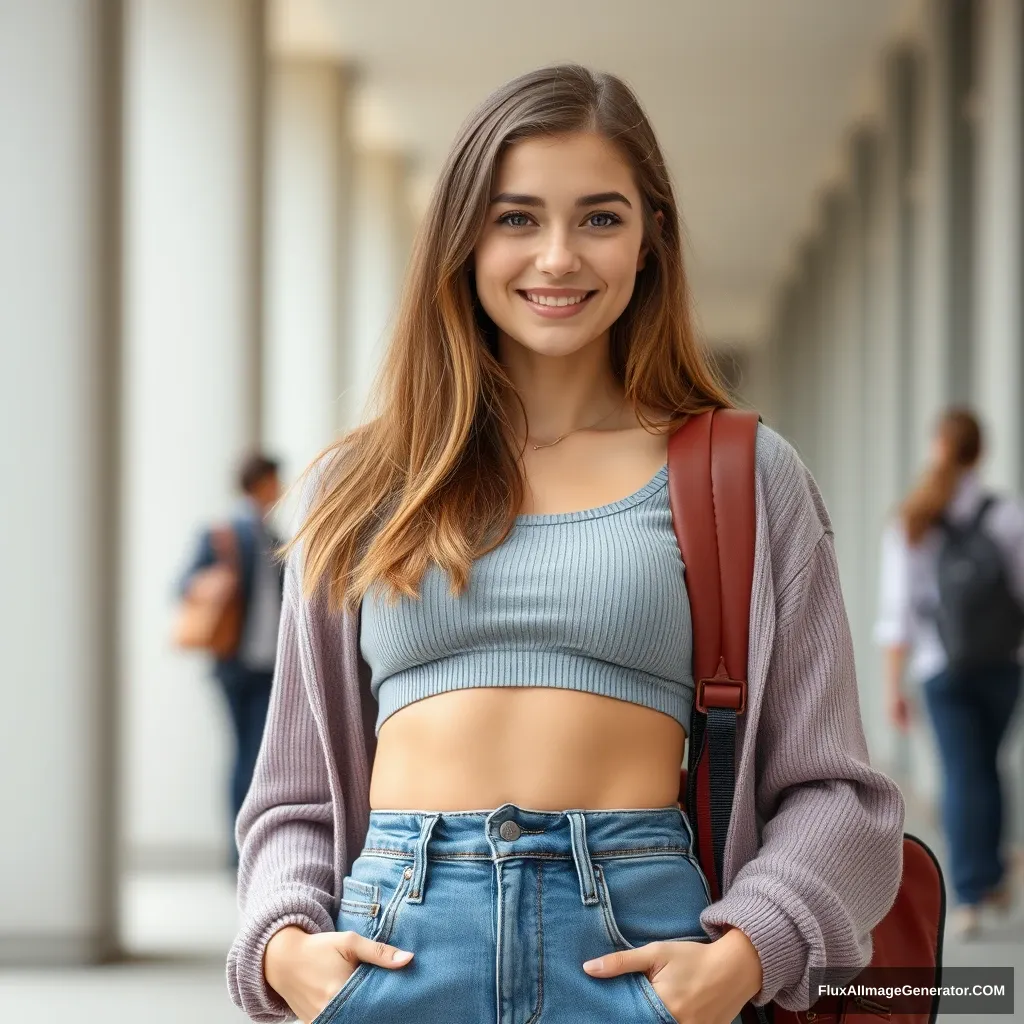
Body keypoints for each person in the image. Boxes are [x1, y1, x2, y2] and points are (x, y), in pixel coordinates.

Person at [227, 64, 904, 1024]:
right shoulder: (365, 485)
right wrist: (285, 949)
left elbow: (839, 793)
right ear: (462, 239)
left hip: (639, 948)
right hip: (393, 945)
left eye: (599, 218)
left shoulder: (741, 476)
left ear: (649, 239)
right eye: (515, 219)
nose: (557, 258)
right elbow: (293, 797)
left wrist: (748, 953)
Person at [875, 408, 1024, 939]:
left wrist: (893, 686)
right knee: (986, 765)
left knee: (963, 772)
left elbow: (897, 614)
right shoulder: (1006, 516)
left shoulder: (913, 519)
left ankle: (968, 893)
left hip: (941, 666)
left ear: (936, 446)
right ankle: (992, 874)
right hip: (1004, 665)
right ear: (980, 453)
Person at [180, 452, 285, 868]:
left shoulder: (275, 536)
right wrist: (218, 581)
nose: (279, 489)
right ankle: (239, 853)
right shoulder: (223, 533)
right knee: (246, 755)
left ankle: (245, 851)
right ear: (260, 483)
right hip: (234, 665)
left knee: (254, 756)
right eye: (275, 481)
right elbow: (184, 584)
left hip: (269, 666)